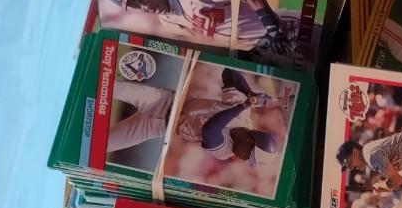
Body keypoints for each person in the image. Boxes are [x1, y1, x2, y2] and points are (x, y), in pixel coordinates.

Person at [108, 67, 283, 168]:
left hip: (158, 128)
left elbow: (210, 130)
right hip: (164, 100)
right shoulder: (243, 115)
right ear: (251, 139)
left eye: (248, 159)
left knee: (105, 144)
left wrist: (244, 104)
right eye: (249, 154)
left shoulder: (226, 152)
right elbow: (228, 73)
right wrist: (249, 93)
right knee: (112, 87)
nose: (243, 158)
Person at [104, 0, 296, 60]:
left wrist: (271, 27)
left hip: (283, 28)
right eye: (136, 6)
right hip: (267, 50)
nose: (144, 7)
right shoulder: (167, 23)